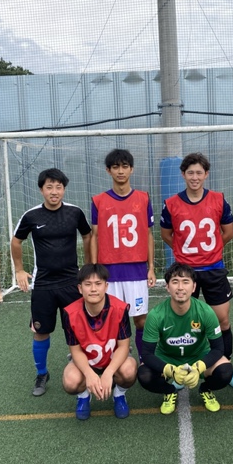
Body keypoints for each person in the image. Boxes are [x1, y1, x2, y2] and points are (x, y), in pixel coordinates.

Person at [159, 152, 233, 388]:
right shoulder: (171, 204)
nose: (194, 177)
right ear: (183, 174)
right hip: (186, 272)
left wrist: (210, 251)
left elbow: (228, 232)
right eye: (190, 173)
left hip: (213, 268)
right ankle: (183, 368)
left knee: (222, 320)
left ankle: (225, 364)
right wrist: (186, 254)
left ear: (206, 174)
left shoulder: (218, 199)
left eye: (199, 173)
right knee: (185, 322)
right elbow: (166, 235)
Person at [11, 168, 93, 397]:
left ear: (64, 189)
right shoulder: (31, 216)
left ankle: (81, 365)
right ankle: (42, 373)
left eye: (58, 187)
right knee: (41, 331)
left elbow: (88, 235)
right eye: (49, 187)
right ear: (41, 190)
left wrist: (88, 265)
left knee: (77, 328)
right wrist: (19, 270)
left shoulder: (75, 213)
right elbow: (16, 241)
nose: (54, 192)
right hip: (43, 284)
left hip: (71, 282)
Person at [138, 263, 233, 415]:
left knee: (226, 371)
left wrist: (199, 367)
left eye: (185, 282)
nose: (180, 287)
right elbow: (147, 353)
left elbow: (218, 349)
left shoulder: (206, 312)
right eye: (175, 282)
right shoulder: (156, 315)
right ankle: (169, 391)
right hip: (167, 357)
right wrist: (169, 370)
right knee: (144, 374)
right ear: (167, 287)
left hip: (198, 356)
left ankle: (206, 389)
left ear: (194, 287)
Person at [91, 149, 155, 359]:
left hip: (136, 270)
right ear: (108, 170)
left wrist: (151, 268)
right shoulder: (98, 200)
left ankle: (144, 360)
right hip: (109, 271)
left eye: (125, 166)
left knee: (141, 320)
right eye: (116, 167)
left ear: (131, 169)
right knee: (112, 320)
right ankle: (113, 361)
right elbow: (95, 236)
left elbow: (148, 234)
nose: (120, 171)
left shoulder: (143, 198)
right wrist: (94, 271)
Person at [61, 264, 137, 420]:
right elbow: (75, 350)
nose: (93, 289)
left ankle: (119, 394)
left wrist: (109, 372)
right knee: (70, 381)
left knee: (129, 370)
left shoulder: (120, 308)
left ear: (106, 286)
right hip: (87, 360)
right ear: (80, 288)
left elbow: (123, 346)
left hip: (113, 358)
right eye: (88, 284)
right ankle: (83, 396)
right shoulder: (70, 313)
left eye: (98, 283)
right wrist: (89, 374)